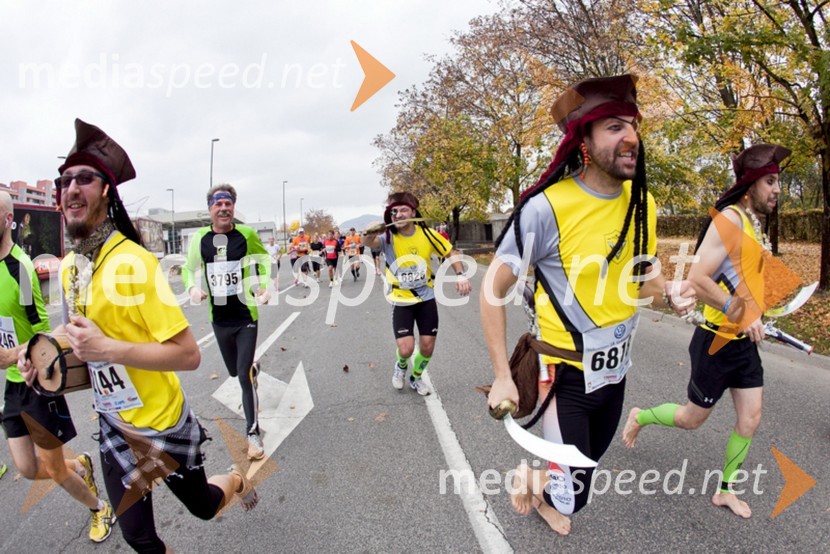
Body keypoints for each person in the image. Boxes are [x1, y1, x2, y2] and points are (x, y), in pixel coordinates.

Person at [19, 119, 259, 553]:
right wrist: (39, 352)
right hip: (115, 426)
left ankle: (238, 479)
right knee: (140, 539)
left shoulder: (134, 263)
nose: (71, 188)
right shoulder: (72, 265)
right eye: (64, 180)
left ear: (106, 192)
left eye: (85, 179)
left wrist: (107, 348)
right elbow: (74, 333)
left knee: (204, 506)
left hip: (162, 424)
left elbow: (188, 355)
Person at [481, 75, 693, 535]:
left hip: (615, 372)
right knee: (574, 492)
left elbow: (643, 273)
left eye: (633, 126)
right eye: (614, 126)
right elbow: (491, 290)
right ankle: (535, 480)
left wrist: (669, 291)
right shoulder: (546, 209)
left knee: (585, 476)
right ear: (584, 140)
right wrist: (501, 375)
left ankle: (544, 485)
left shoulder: (643, 203)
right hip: (562, 374)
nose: (630, 137)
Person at [622, 143, 790, 519]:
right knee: (691, 419)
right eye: (770, 181)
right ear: (750, 185)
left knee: (751, 417)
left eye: (778, 181)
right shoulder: (729, 220)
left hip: (742, 342)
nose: (777, 189)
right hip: (715, 344)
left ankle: (725, 490)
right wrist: (742, 311)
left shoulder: (752, 222)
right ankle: (641, 416)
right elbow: (698, 279)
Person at [0, 191, 114, 543]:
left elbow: (41, 336)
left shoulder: (18, 269)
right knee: (27, 468)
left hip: (38, 381)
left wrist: (13, 354)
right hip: (13, 385)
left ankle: (100, 509)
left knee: (52, 467)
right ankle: (81, 466)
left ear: (8, 220)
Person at [183, 184, 271, 461]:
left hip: (246, 316)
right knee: (235, 372)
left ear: (233, 207)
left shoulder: (246, 235)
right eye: (218, 204)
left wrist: (265, 287)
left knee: (242, 378)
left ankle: (253, 433)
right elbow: (188, 269)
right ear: (210, 209)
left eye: (228, 203)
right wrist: (192, 289)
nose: (223, 208)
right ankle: (252, 370)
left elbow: (264, 260)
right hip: (219, 319)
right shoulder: (200, 239)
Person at [362, 192, 472, 396]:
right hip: (401, 299)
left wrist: (460, 274)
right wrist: (369, 231)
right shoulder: (388, 237)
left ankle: (416, 377)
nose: (399, 214)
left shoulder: (428, 234)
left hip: (425, 298)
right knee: (405, 349)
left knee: (427, 347)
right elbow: (368, 242)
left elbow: (449, 252)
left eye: (404, 210)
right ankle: (401, 365)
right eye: (394, 211)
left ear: (413, 212)